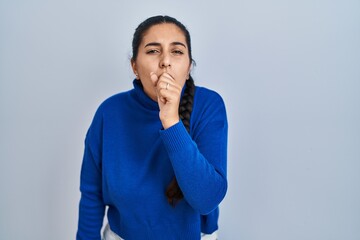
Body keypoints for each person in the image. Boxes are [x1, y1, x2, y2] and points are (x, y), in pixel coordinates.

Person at [76, 15, 228, 240]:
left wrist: (171, 122)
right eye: (153, 51)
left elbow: (206, 200)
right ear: (134, 66)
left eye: (176, 51)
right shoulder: (109, 112)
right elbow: (92, 195)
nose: (165, 60)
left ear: (188, 68)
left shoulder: (209, 106)